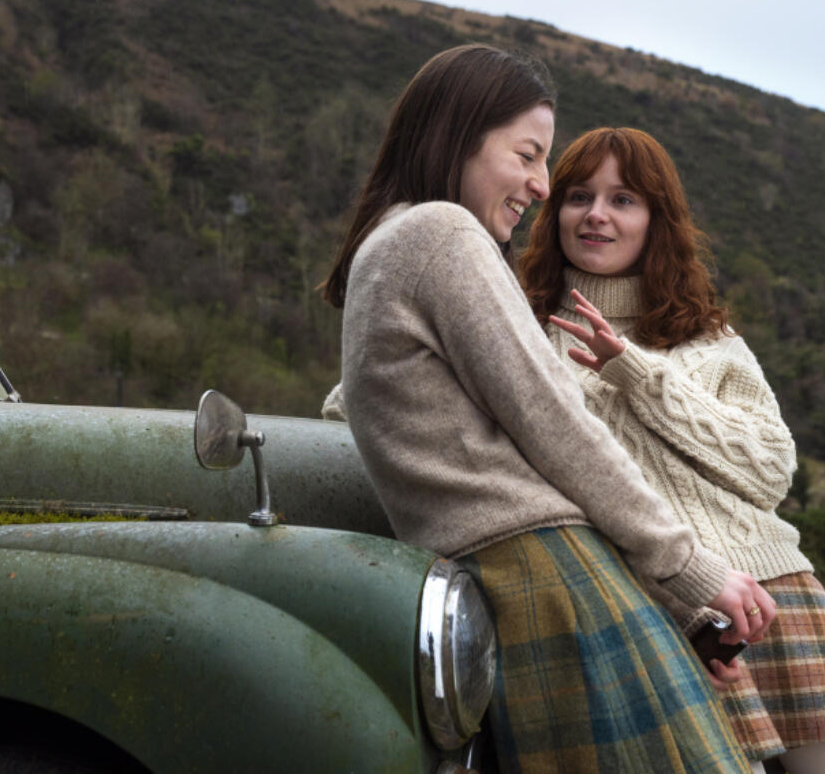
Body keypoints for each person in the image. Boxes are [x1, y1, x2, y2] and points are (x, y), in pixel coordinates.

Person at [320, 44, 776, 773]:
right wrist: (693, 570)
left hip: (514, 576)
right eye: (527, 155)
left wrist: (678, 604)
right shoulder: (442, 234)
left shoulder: (390, 243)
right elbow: (557, 427)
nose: (539, 183)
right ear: (459, 136)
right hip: (547, 576)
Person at [518, 126, 825, 774]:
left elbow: (771, 470)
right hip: (653, 605)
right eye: (579, 196)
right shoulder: (515, 326)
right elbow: (365, 395)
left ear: (656, 219)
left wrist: (634, 372)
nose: (597, 216)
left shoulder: (706, 337)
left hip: (774, 591)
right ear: (555, 211)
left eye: (623, 199)